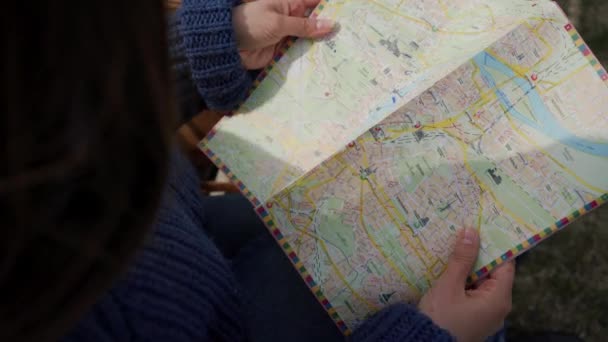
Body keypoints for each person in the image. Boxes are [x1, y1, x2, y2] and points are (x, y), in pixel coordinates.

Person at [1, 0, 515, 341]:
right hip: (218, 321)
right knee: (455, 259)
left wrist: (221, 39)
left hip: (188, 234)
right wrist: (427, 337)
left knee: (447, 231)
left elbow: (83, 99)